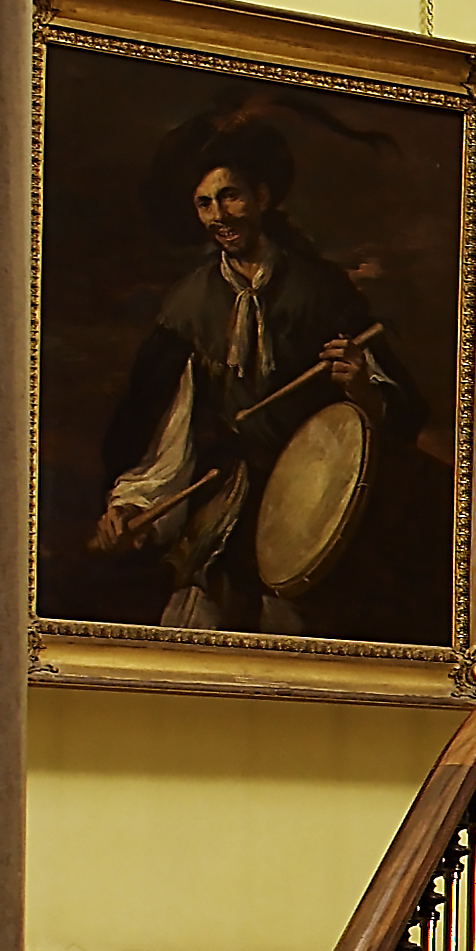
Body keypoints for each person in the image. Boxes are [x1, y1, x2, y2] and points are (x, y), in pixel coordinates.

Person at [91, 108, 403, 633]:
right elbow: (172, 428)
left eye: (230, 196)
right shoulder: (188, 305)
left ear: (261, 197)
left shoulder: (322, 291)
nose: (220, 215)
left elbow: (393, 405)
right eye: (204, 203)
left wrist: (362, 388)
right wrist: (130, 505)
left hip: (315, 492)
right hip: (225, 493)